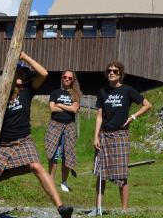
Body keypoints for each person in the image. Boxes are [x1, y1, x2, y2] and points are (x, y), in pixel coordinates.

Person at [0, 52, 73, 218]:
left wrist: (24, 57)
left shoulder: (27, 90)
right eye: (19, 72)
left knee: (36, 166)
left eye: (24, 74)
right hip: (3, 145)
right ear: (10, 74)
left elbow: (44, 73)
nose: (23, 76)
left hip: (23, 140)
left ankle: (61, 208)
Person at [91, 61, 151, 215]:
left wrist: (132, 117)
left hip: (120, 135)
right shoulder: (102, 92)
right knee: (101, 173)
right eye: (109, 70)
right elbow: (99, 116)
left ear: (120, 74)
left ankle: (124, 210)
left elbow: (147, 105)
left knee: (122, 174)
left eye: (115, 71)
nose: (111, 73)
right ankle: (98, 208)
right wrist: (95, 136)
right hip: (104, 135)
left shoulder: (127, 90)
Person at [45, 69, 81, 193]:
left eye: (69, 78)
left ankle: (64, 182)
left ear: (73, 80)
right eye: (65, 77)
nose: (67, 79)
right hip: (55, 125)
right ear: (62, 78)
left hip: (69, 126)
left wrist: (59, 105)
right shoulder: (55, 92)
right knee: (54, 154)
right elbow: (52, 109)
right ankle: (50, 181)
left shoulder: (75, 94)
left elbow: (74, 110)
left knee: (67, 155)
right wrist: (68, 108)